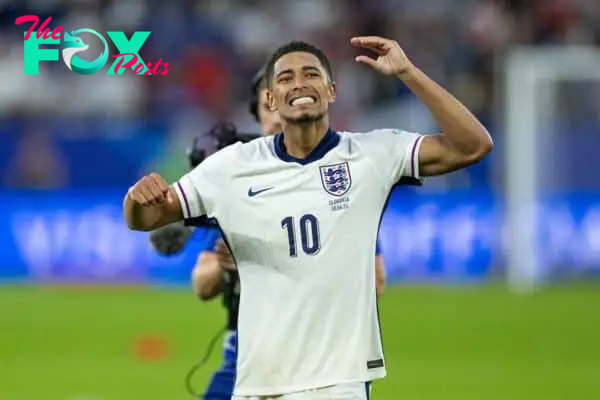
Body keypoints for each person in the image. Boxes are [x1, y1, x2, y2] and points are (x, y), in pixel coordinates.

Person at [125, 36, 493, 399]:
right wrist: (135, 199)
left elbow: (473, 144)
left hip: (337, 383)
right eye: (285, 78)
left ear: (331, 91)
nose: (299, 83)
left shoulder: (372, 154)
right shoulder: (233, 167)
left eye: (311, 74)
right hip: (257, 384)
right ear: (269, 99)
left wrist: (409, 73)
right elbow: (146, 218)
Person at [150, 66, 387, 399]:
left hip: (321, 357)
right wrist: (227, 264)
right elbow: (203, 285)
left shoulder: (340, 181)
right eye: (270, 107)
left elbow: (374, 281)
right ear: (257, 115)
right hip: (248, 354)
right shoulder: (234, 181)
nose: (280, 117)